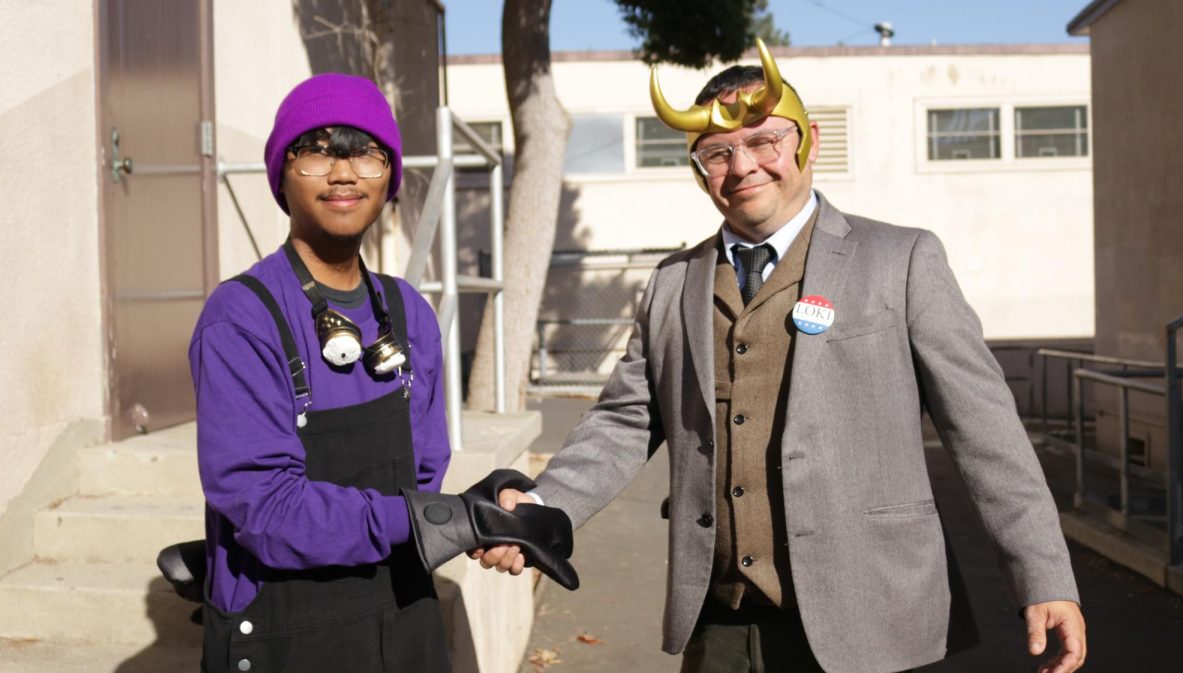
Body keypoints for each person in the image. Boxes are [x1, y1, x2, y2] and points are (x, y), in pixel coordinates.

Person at [476, 40, 1087, 673]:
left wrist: (1043, 574)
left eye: (764, 141)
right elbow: (622, 421)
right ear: (699, 170)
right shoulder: (670, 284)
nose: (743, 167)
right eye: (718, 152)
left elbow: (986, 432)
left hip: (871, 612)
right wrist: (543, 507)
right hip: (719, 616)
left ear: (808, 142)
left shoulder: (901, 261)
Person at [189, 73, 576, 673]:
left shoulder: (408, 314)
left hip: (402, 615)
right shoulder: (243, 317)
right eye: (317, 149)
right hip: (286, 632)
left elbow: (419, 478)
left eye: (366, 153)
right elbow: (266, 509)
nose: (343, 173)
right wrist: (439, 520)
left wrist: (482, 509)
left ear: (390, 178)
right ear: (281, 175)